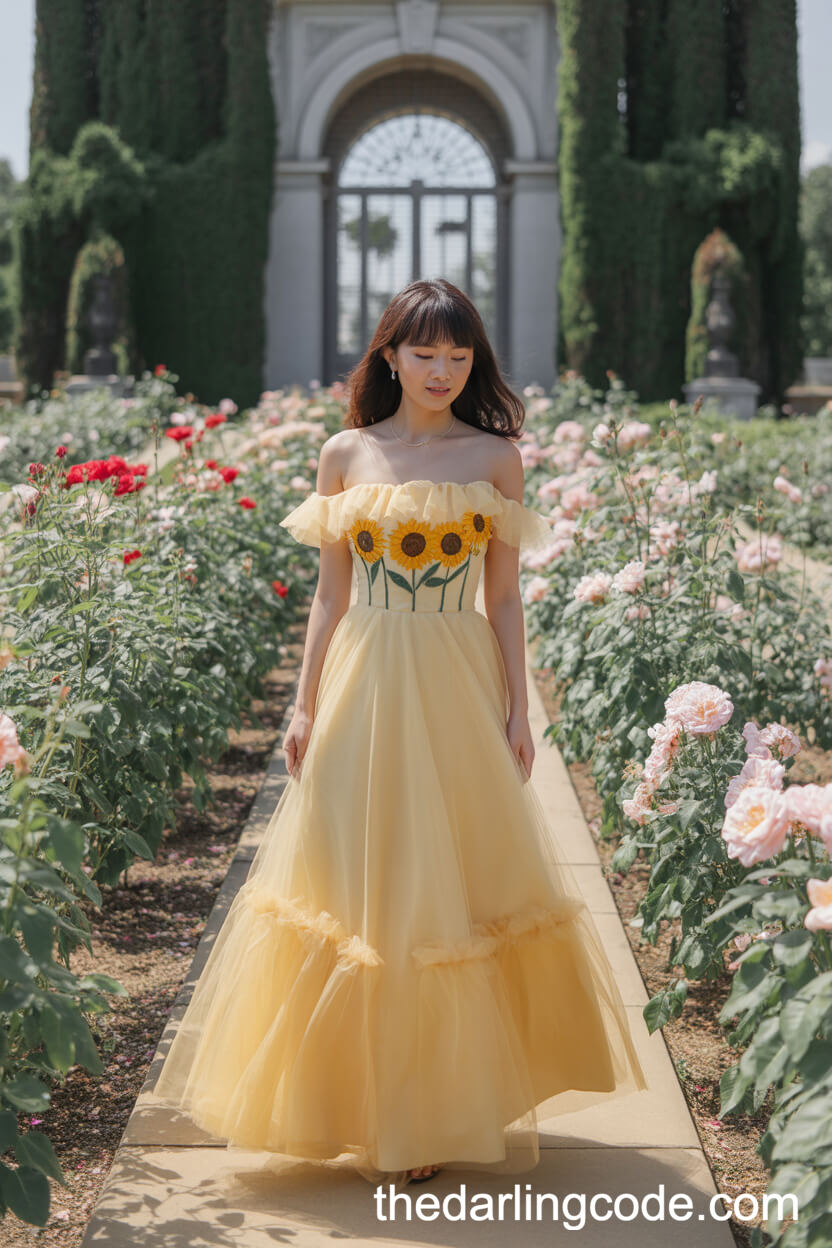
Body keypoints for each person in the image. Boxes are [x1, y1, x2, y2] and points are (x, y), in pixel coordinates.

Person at [152, 278, 648, 1190]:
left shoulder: (495, 459)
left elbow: (502, 596)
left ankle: (428, 1114)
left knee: (445, 881)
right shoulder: (346, 454)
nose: (442, 371)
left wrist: (517, 708)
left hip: (456, 683)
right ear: (388, 355)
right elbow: (330, 596)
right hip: (362, 681)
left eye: (459, 357)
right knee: (353, 873)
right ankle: (356, 1106)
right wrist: (303, 704)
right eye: (424, 353)